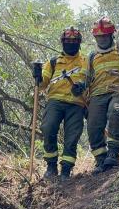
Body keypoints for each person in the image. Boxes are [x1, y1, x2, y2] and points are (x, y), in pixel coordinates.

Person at [82, 17, 119, 174]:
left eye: (105, 36)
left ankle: (113, 154)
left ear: (111, 35)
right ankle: (100, 160)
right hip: (97, 94)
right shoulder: (91, 57)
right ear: (95, 38)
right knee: (94, 125)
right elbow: (86, 79)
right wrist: (80, 89)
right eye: (99, 37)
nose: (102, 39)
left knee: (115, 113)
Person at [32, 27, 87, 181]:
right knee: (48, 128)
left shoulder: (85, 61)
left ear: (79, 43)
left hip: (76, 104)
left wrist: (82, 87)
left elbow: (90, 81)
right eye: (68, 41)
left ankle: (66, 170)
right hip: (55, 101)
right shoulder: (53, 62)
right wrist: (37, 76)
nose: (71, 44)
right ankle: (51, 166)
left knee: (72, 136)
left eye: (74, 41)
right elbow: (42, 84)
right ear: (63, 42)